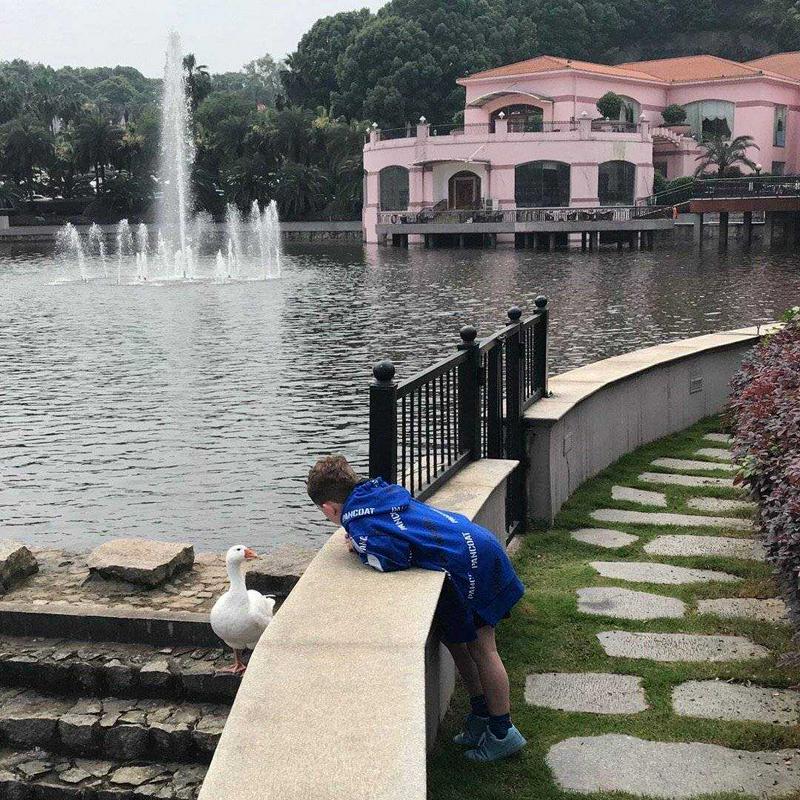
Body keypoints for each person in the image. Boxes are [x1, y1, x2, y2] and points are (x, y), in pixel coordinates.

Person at [306, 454, 527, 763]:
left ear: (329, 508)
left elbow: (393, 558)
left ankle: (503, 733)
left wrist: (360, 547)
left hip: (470, 564)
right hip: (472, 547)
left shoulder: (360, 521)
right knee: (459, 644)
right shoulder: (375, 493)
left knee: (483, 649)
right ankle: (481, 716)